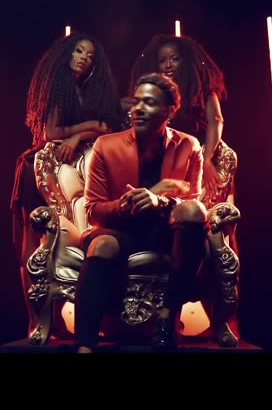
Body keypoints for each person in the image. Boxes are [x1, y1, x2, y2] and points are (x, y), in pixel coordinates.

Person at [73, 73, 210, 353]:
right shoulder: (106, 145)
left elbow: (192, 202)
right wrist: (130, 203)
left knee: (195, 212)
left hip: (166, 233)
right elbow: (93, 210)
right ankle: (85, 346)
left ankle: (167, 316)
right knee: (102, 244)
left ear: (168, 111)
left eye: (149, 102)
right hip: (120, 231)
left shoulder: (188, 145)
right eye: (136, 102)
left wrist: (160, 201)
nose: (138, 109)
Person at [10, 32, 125, 300]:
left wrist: (78, 136)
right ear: (66, 53)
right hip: (41, 167)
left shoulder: (87, 90)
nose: (83, 58)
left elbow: (106, 127)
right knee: (34, 243)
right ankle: (33, 315)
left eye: (90, 56)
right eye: (78, 51)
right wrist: (88, 127)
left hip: (71, 166)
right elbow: (51, 133)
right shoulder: (58, 83)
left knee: (61, 243)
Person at [126, 34, 234, 212]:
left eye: (175, 59)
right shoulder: (154, 92)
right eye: (162, 61)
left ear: (185, 62)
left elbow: (216, 120)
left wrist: (207, 160)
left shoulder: (202, 86)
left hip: (199, 151)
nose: (168, 65)